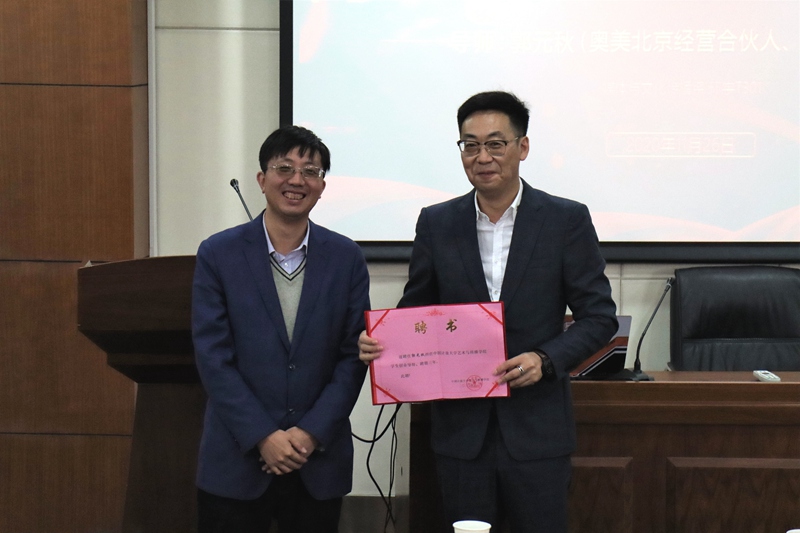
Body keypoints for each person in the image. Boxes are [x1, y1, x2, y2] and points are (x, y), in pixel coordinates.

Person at [359, 91, 618, 533]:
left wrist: (545, 359)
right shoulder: (437, 222)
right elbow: (417, 308)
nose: (482, 157)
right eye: (470, 145)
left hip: (537, 429)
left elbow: (599, 317)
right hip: (462, 434)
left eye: (496, 144)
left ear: (523, 147)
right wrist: (384, 341)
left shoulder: (564, 220)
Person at [192, 125, 370, 533]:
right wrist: (263, 436)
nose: (297, 180)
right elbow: (213, 358)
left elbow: (352, 357)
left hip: (316, 463)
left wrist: (310, 433)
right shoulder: (218, 254)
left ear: (322, 186)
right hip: (236, 461)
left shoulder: (346, 258)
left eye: (311, 171)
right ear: (262, 179)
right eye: (284, 168)